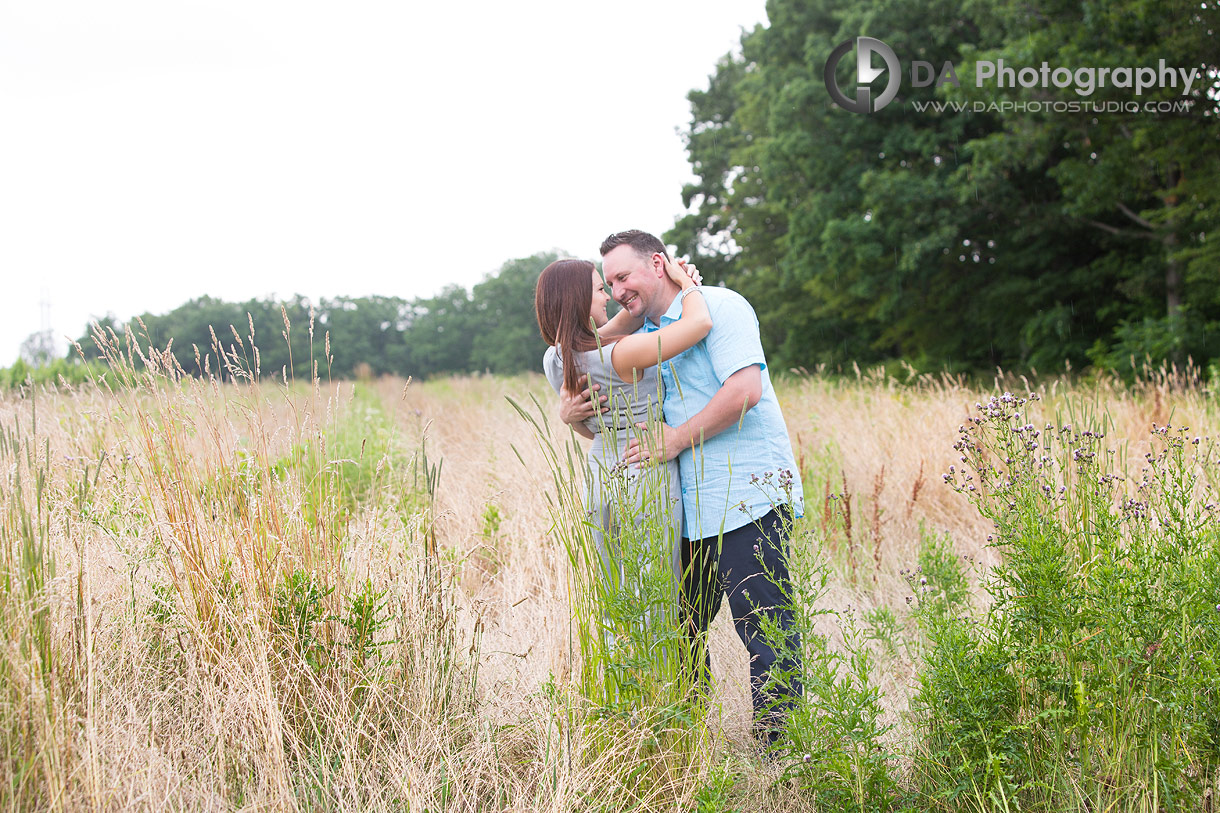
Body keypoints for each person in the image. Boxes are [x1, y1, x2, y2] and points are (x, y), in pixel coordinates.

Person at [563, 229, 805, 744]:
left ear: (657, 263)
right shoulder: (641, 336)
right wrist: (570, 414)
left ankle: (781, 758)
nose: (617, 290)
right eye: (608, 282)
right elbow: (583, 352)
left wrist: (674, 441)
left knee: (766, 630)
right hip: (685, 509)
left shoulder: (721, 305)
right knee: (679, 635)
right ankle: (685, 745)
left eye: (624, 276)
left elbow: (744, 390)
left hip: (745, 495)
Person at [535, 255, 709, 617]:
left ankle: (624, 667)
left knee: (613, 587)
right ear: (580, 301)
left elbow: (586, 422)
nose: (609, 297)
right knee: (657, 587)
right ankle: (661, 671)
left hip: (600, 474)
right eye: (601, 289)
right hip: (643, 469)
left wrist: (568, 419)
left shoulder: (556, 359)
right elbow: (699, 322)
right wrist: (686, 282)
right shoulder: (622, 353)